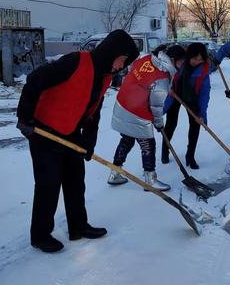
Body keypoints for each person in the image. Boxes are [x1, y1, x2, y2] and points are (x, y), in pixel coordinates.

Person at [16, 30, 139, 253]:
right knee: (48, 185)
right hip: (45, 131)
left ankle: (78, 226)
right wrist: (25, 117)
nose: (122, 66)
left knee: (75, 182)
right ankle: (41, 235)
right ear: (113, 53)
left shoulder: (104, 77)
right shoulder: (76, 61)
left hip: (70, 133)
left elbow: (94, 113)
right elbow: (35, 80)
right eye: (123, 60)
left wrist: (87, 143)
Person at [107, 45, 186, 190]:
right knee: (148, 144)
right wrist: (159, 123)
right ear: (173, 60)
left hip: (123, 103)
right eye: (181, 63)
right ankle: (150, 179)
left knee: (127, 139)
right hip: (136, 111)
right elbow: (156, 106)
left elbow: (134, 72)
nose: (182, 66)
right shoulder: (162, 78)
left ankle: (114, 173)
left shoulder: (149, 59)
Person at [161, 42, 211, 169]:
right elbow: (166, 80)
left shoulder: (203, 70)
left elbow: (204, 93)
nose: (197, 61)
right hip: (175, 94)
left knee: (195, 125)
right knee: (171, 124)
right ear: (189, 56)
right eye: (194, 58)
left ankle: (190, 156)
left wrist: (201, 115)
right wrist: (169, 90)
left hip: (192, 97)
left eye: (200, 59)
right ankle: (165, 149)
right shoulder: (179, 65)